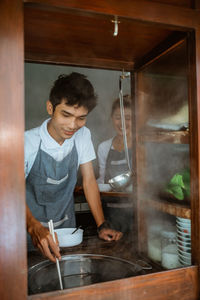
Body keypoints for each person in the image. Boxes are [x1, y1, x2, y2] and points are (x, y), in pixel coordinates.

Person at [25, 72, 122, 262]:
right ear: (50, 108)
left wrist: (102, 224)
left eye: (81, 118)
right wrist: (33, 227)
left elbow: (89, 181)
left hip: (68, 229)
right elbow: (9, 192)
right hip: (29, 231)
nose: (72, 125)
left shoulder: (83, 135)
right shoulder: (27, 142)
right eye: (66, 114)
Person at [97, 95, 133, 233]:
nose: (122, 123)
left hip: (138, 215)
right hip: (109, 216)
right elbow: (101, 180)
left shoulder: (141, 147)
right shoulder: (104, 147)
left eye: (128, 118)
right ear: (112, 118)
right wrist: (92, 186)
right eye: (118, 117)